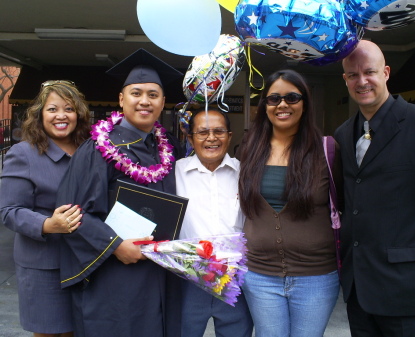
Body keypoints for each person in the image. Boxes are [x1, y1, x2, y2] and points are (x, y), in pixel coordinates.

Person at [55, 49, 184, 337]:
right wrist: (115, 246)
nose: (144, 101)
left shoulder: (169, 149)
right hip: (115, 274)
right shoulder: (100, 149)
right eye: (136, 93)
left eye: (153, 94)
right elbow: (71, 212)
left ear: (163, 102)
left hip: (160, 271)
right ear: (121, 99)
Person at [334, 40, 415, 336]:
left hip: (409, 286)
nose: (362, 81)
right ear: (345, 79)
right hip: (358, 288)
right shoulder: (343, 133)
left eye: (369, 72)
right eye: (353, 75)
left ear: (386, 72)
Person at [237, 69, 342, 337]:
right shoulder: (249, 150)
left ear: (305, 103)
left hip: (316, 277)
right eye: (274, 99)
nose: (282, 104)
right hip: (259, 275)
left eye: (292, 97)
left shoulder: (327, 150)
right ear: (265, 106)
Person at [0, 80, 91, 337]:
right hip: (45, 264)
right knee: (50, 332)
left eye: (69, 109)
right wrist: (47, 224)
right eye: (52, 109)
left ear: (79, 115)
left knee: (81, 330)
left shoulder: (90, 151)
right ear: (40, 114)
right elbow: (9, 210)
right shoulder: (24, 154)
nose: (61, 115)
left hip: (85, 260)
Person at [175, 108, 253, 337]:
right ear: (190, 138)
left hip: (235, 280)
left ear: (230, 136)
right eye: (203, 132)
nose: (211, 138)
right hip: (188, 279)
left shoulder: (246, 173)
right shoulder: (174, 172)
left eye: (219, 131)